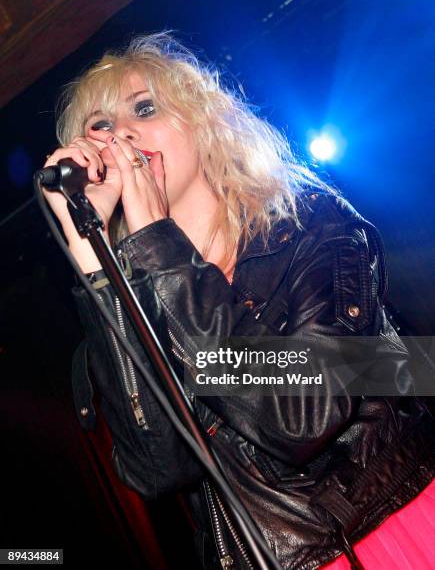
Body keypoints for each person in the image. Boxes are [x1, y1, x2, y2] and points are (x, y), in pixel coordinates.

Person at [42, 32, 435, 569]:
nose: (121, 135)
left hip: (387, 529)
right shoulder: (140, 300)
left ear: (203, 123)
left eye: (144, 108)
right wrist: (95, 261)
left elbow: (299, 415)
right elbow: (159, 468)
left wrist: (157, 237)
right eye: (101, 127)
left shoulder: (310, 229)